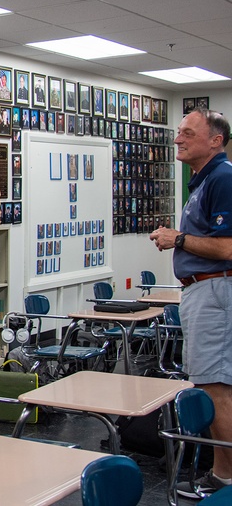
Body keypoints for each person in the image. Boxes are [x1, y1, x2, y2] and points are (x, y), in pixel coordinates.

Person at [149, 108, 232, 499]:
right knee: (218, 384)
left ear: (215, 140)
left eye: (187, 132)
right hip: (207, 290)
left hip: (215, 291)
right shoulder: (203, 181)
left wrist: (177, 238)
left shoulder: (222, 178)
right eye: (178, 132)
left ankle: (224, 478)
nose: (178, 138)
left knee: (214, 386)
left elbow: (228, 247)